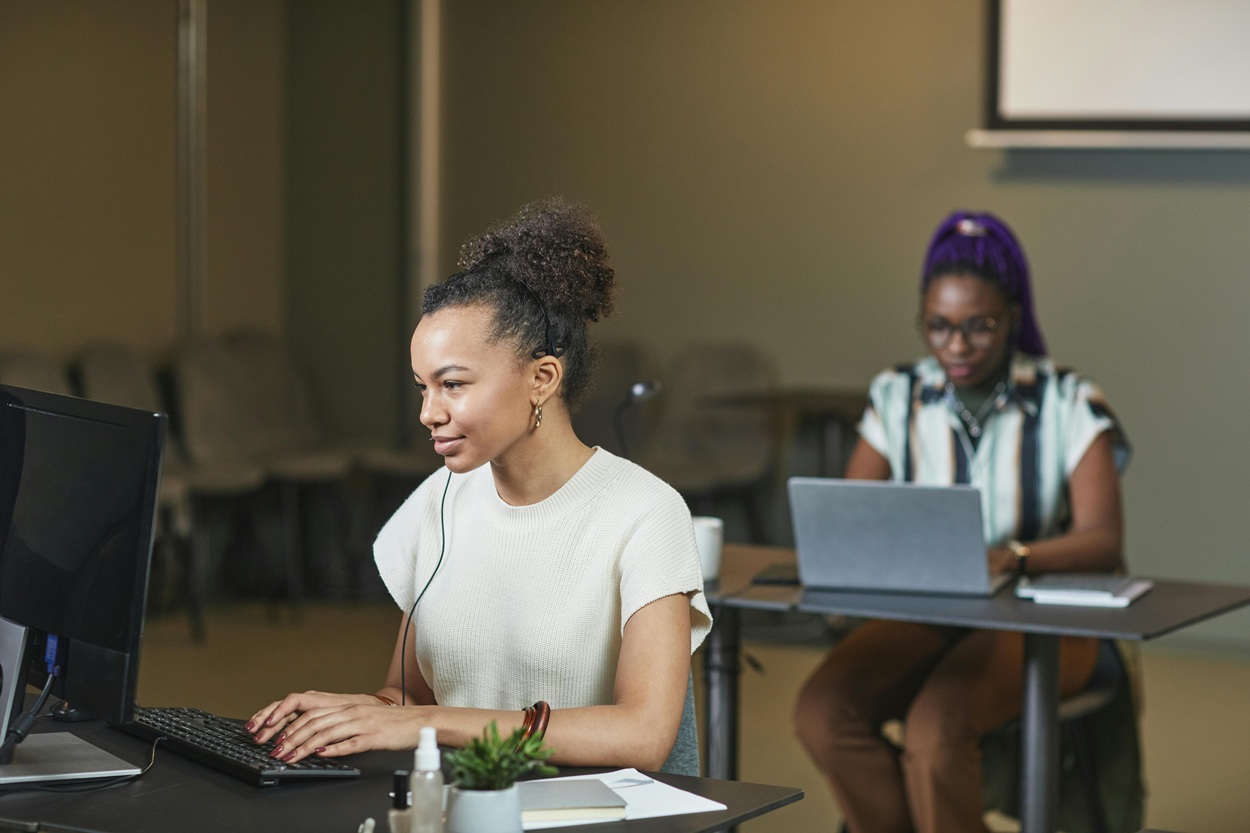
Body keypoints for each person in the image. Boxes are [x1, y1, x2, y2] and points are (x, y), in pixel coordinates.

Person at [248, 198, 712, 773]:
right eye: (423, 387)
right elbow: (407, 697)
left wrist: (425, 722)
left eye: (452, 385)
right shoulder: (437, 498)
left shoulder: (646, 512)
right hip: (466, 805)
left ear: (542, 378)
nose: (429, 412)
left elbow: (641, 736)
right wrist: (346, 715)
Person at [793, 210, 1130, 833]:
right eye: (939, 327)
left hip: (1047, 620)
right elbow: (850, 517)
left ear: (1013, 319)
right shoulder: (898, 393)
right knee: (822, 710)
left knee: (937, 726)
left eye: (978, 327)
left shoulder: (1068, 399)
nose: (955, 346)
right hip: (931, 609)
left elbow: (1103, 541)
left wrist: (1013, 557)